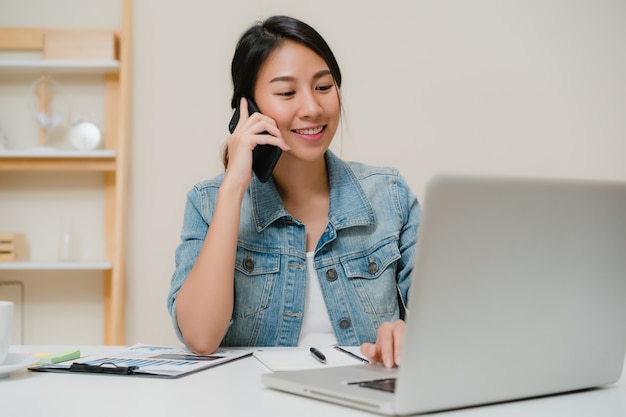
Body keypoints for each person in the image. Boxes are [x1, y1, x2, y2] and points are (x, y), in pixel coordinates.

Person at [167, 15, 420, 368]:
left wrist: (416, 334)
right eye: (287, 93)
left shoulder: (389, 194)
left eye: (323, 87)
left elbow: (449, 318)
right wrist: (234, 187)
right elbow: (200, 337)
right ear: (248, 109)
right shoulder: (208, 202)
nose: (312, 108)